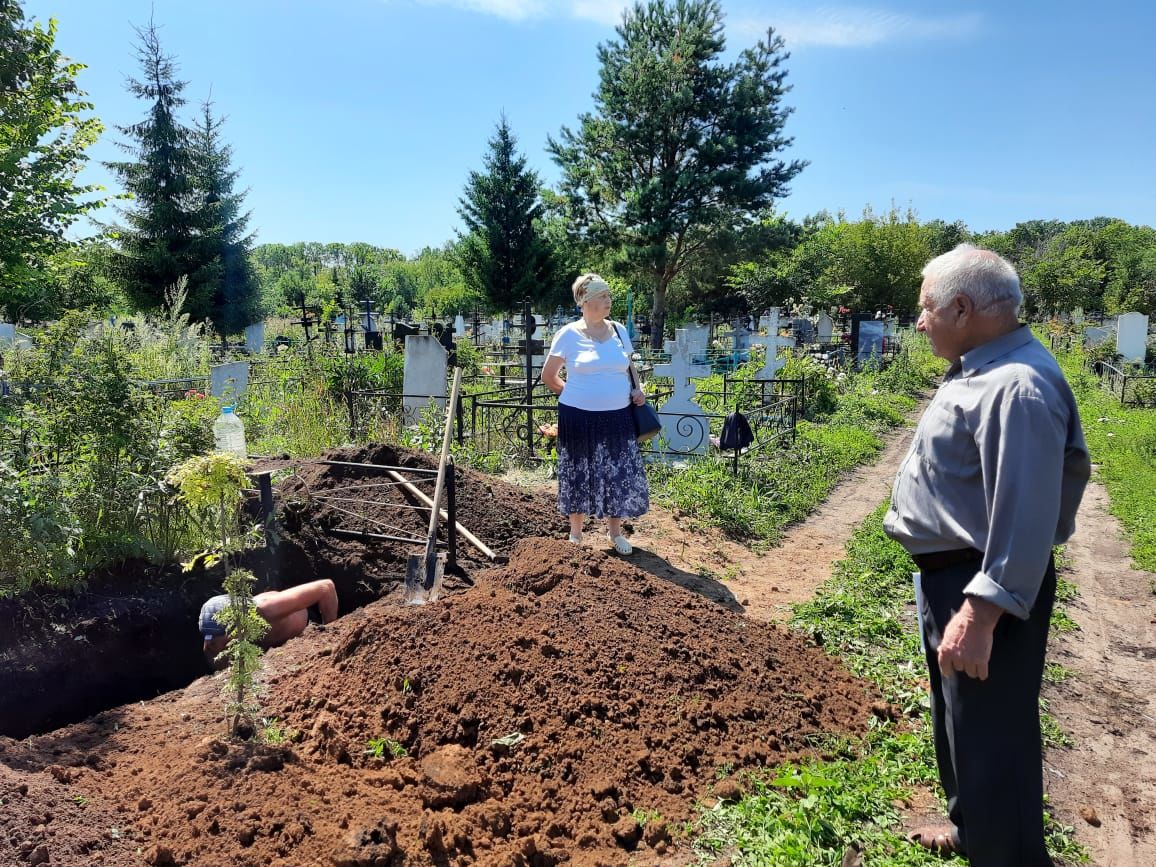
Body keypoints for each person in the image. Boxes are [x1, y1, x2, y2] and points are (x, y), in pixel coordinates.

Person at [884, 244, 1090, 865]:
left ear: (963, 307)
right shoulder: (984, 366)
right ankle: (973, 832)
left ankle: (1007, 853)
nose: (919, 322)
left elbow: (1024, 515)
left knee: (993, 739)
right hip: (953, 578)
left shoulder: (1016, 386)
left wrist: (980, 614)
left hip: (979, 585)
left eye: (926, 309)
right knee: (962, 727)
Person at [542, 273, 650, 554]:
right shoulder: (568, 334)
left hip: (618, 414)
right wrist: (574, 395)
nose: (608, 301)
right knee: (579, 469)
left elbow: (629, 367)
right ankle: (576, 534)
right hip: (578, 416)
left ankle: (615, 533)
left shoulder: (618, 330)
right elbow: (549, 376)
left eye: (609, 296)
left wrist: (637, 390)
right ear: (585, 301)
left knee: (616, 471)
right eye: (603, 297)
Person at [199, 578, 339, 666]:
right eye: (209, 636)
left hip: (307, 624)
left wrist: (329, 634)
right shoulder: (213, 645)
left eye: (221, 637)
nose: (211, 642)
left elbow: (326, 587)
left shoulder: (267, 609)